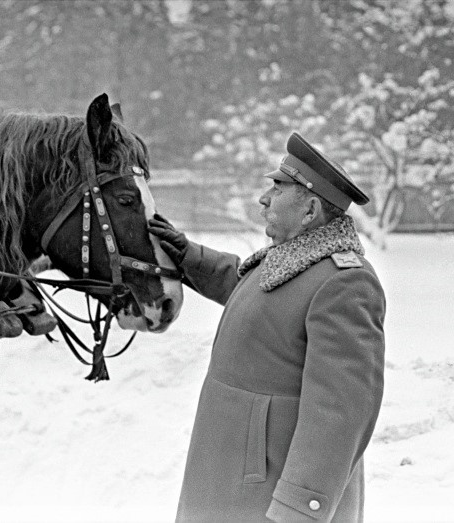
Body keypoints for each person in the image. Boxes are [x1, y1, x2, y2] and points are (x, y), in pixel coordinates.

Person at [148, 132, 386, 523]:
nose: (263, 198)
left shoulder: (345, 282)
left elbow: (342, 411)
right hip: (232, 485)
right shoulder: (288, 263)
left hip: (270, 501)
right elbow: (255, 298)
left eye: (278, 188)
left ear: (310, 210)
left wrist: (299, 507)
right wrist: (190, 256)